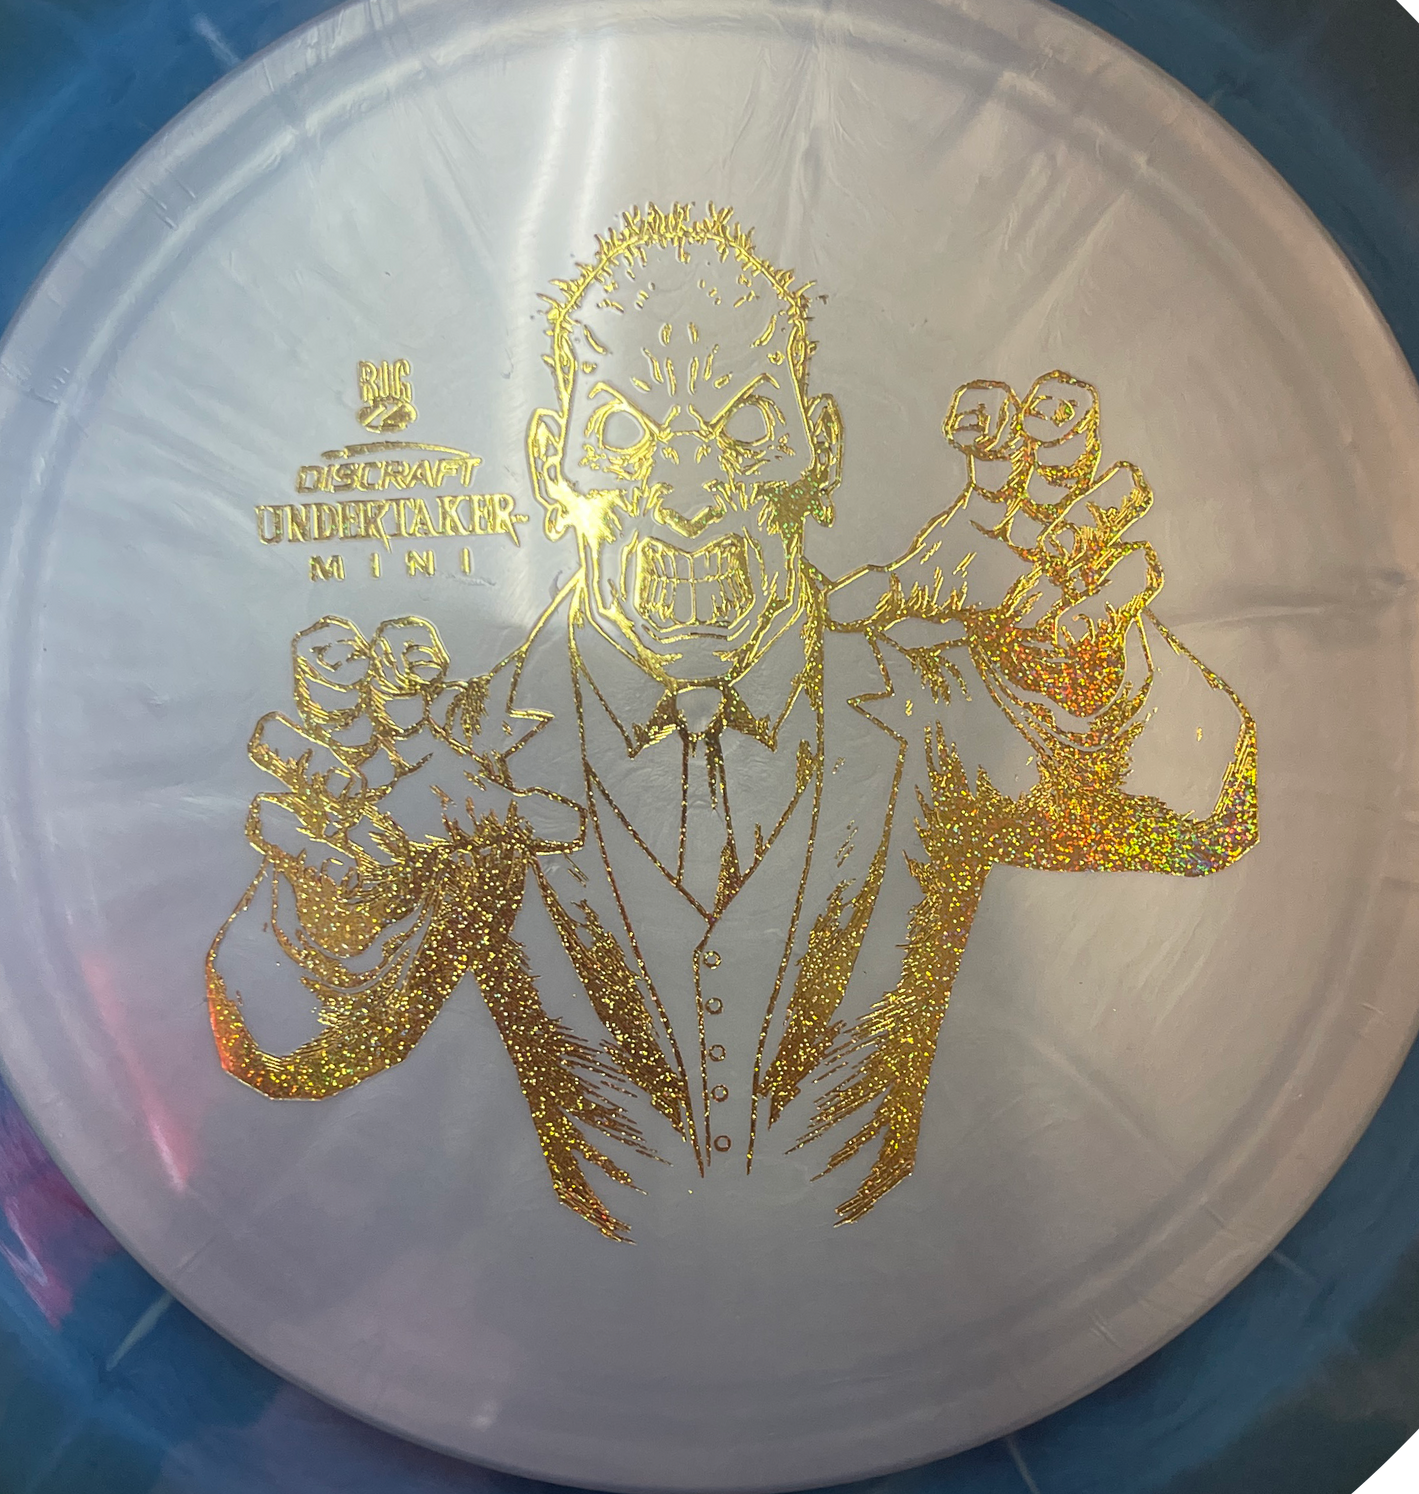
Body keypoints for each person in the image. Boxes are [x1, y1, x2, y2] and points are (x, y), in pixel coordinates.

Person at [207, 203, 1257, 1238]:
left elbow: (1206, 811)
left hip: (915, 1300)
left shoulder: (925, 697)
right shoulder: (458, 754)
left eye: (745, 425)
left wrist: (1085, 665)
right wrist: (326, 919)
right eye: (622, 433)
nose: (685, 490)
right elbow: (284, 1046)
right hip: (572, 1319)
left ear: (821, 451)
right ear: (550, 463)